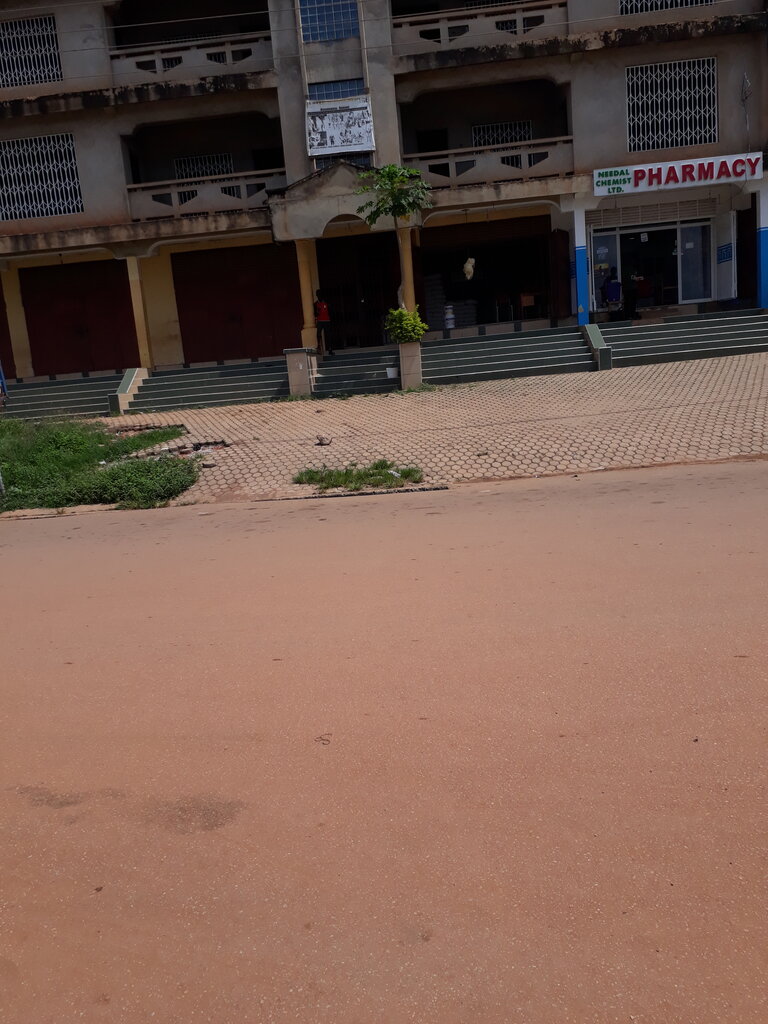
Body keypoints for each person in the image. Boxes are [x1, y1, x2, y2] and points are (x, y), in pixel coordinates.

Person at [314, 290, 333, 356]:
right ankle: (319, 346)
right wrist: (317, 312)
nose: (319, 296)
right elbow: (315, 314)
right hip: (320, 321)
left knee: (328, 335)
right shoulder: (315, 304)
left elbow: (331, 311)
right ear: (317, 296)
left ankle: (330, 349)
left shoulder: (327, 302)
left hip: (327, 321)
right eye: (318, 295)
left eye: (320, 295)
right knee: (318, 334)